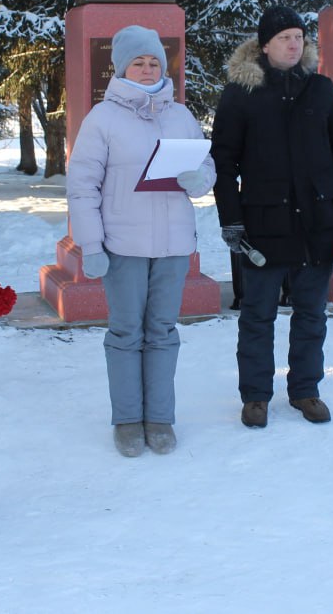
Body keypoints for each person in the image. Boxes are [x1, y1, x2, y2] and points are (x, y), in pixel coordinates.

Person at [210, 7, 333, 428]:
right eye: (284, 38)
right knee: (257, 314)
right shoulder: (240, 94)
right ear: (264, 45)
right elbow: (223, 163)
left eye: (299, 36)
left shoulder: (322, 89)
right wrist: (232, 219)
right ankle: (256, 396)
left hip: (319, 221)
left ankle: (306, 390)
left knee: (312, 313)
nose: (294, 44)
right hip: (263, 225)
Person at [66, 25, 215, 457]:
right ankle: (129, 419)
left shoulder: (180, 115)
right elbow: (82, 187)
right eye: (139, 62)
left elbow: (207, 167)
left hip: (171, 246)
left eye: (154, 62)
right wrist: (91, 246)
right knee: (127, 332)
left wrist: (199, 179)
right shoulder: (102, 119)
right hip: (123, 247)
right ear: (121, 67)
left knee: (163, 331)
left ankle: (160, 418)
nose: (148, 69)